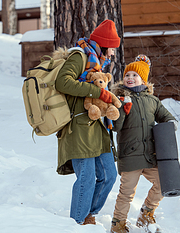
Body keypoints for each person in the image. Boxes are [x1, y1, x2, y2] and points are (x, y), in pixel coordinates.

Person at [55, 19, 120, 225]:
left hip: (97, 127)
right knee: (86, 178)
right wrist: (97, 91)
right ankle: (77, 223)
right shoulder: (79, 56)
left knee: (109, 175)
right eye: (111, 49)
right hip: (79, 126)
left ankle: (88, 215)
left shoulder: (98, 64)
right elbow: (62, 82)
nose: (112, 54)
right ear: (102, 44)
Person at [109, 55, 178, 233]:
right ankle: (118, 224)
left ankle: (146, 213)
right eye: (127, 75)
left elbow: (166, 116)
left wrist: (171, 124)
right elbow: (115, 126)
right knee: (127, 193)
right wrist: (123, 108)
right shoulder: (119, 98)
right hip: (130, 155)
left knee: (163, 183)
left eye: (134, 75)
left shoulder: (152, 100)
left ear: (143, 79)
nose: (130, 78)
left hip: (149, 155)